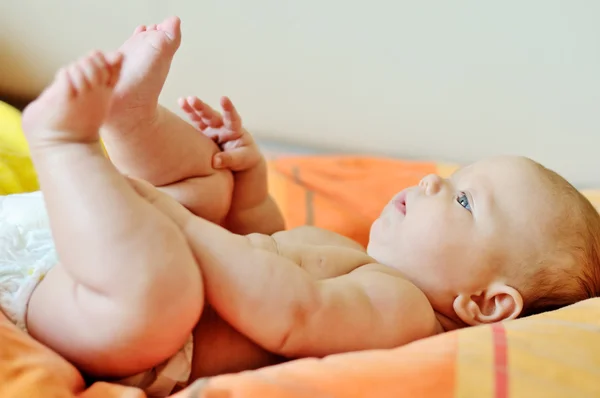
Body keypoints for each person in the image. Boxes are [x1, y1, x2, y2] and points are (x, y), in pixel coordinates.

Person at [7, 16, 600, 398]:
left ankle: (64, 145)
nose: (429, 184)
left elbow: (291, 309)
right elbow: (261, 238)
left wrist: (183, 225)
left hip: (109, 323)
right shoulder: (361, 263)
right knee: (210, 186)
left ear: (486, 303)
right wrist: (249, 180)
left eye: (465, 198)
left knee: (165, 294)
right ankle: (130, 119)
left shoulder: (406, 315)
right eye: (451, 178)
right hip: (90, 255)